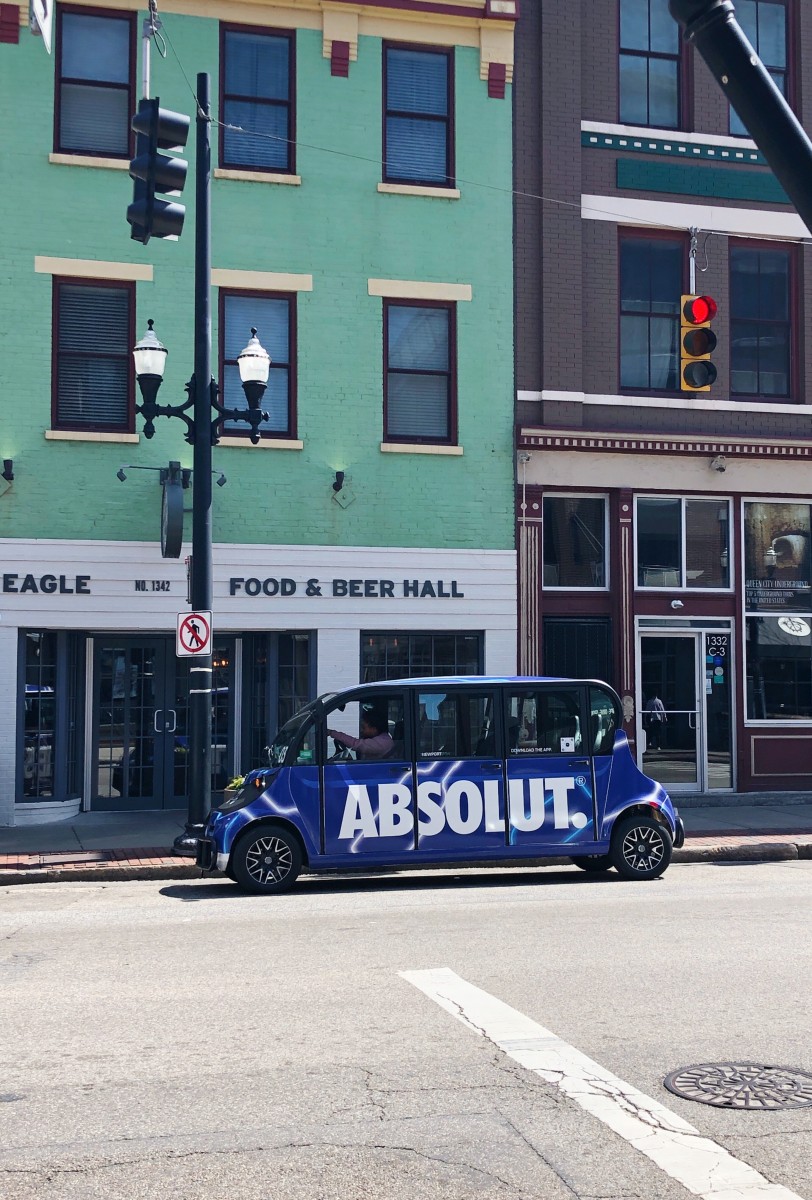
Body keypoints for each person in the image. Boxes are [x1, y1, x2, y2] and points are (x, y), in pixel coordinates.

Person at [327, 712, 394, 760]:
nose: (361, 730)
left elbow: (356, 744)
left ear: (374, 729)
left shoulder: (382, 742)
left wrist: (332, 733)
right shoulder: (378, 738)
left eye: (364, 727)